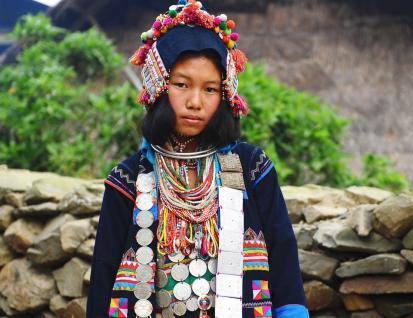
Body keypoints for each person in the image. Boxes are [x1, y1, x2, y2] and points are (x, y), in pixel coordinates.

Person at [86, 1, 309, 317]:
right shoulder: (128, 180)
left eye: (210, 89)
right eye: (181, 85)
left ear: (225, 95)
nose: (195, 102)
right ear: (159, 88)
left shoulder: (252, 168)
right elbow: (104, 274)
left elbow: (284, 263)